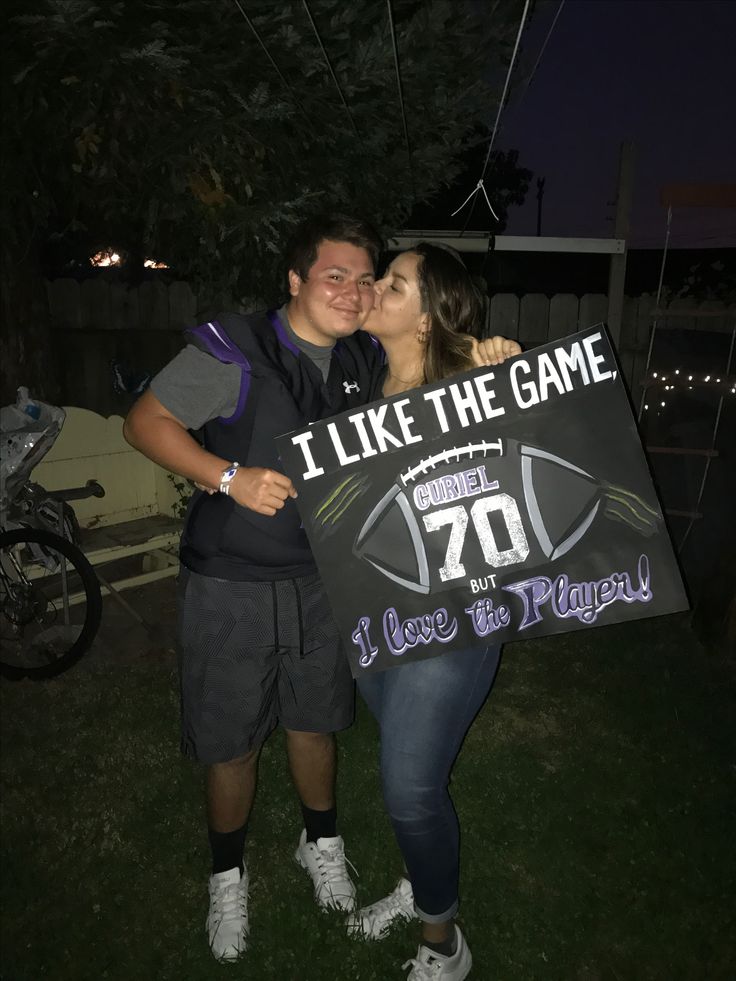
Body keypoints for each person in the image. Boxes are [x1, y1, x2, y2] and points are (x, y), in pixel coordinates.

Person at [123, 214, 516, 964]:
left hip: (366, 596)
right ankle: (228, 874)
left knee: (336, 737)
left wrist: (489, 354)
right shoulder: (256, 351)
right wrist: (227, 477)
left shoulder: (386, 364)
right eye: (336, 274)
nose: (356, 291)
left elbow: (473, 387)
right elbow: (144, 421)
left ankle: (335, 853)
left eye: (373, 279)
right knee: (235, 741)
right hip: (252, 584)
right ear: (296, 280)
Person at [345, 243, 521, 981]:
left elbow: (527, 457)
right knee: (407, 757)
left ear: (427, 317)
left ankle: (443, 942)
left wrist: (507, 376)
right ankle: (421, 881)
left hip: (454, 618)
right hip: (376, 613)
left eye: (393, 283)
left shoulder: (467, 385)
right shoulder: (357, 384)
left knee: (410, 786)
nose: (374, 289)